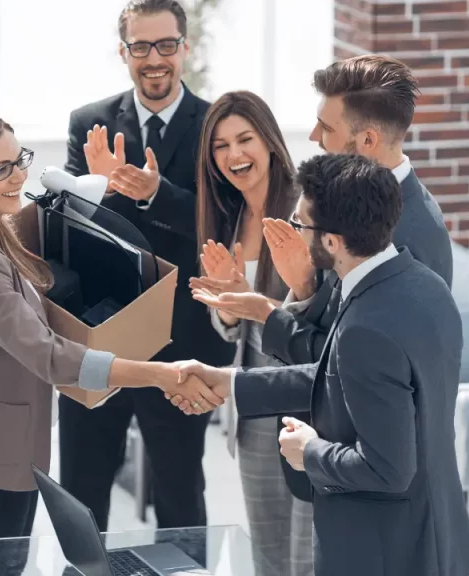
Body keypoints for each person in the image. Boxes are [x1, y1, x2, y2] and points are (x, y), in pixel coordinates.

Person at [172, 154, 469, 576]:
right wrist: (230, 382)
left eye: (300, 225)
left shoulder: (364, 327)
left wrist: (309, 452)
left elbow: (387, 469)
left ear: (332, 241)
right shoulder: (423, 284)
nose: (294, 234)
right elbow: (340, 376)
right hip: (433, 536)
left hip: (383, 553)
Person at [0, 110, 220, 544]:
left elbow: (22, 224)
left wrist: (94, 186)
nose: (18, 177)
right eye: (1, 169)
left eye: (20, 160)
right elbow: (49, 356)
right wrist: (158, 373)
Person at [192, 54, 454, 505]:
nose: (314, 138)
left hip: (368, 484)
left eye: (326, 128)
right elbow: (337, 339)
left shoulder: (410, 235)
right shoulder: (360, 207)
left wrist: (265, 309)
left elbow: (347, 362)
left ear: (367, 139)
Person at [58, 0, 232, 532]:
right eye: (141, 46)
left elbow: (223, 224)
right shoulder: (88, 122)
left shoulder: (217, 127)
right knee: (83, 489)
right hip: (102, 337)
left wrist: (157, 193)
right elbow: (68, 233)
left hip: (183, 346)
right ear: (124, 52)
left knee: (180, 491)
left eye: (166, 45)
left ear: (185, 48)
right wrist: (98, 191)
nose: (154, 59)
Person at [188, 91, 310, 576]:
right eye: (221, 146)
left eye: (245, 140)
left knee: (307, 556)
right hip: (256, 407)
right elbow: (230, 328)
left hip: (305, 403)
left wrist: (256, 304)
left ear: (271, 142)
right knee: (268, 555)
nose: (235, 155)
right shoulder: (231, 217)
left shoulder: (306, 208)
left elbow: (320, 315)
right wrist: (232, 306)